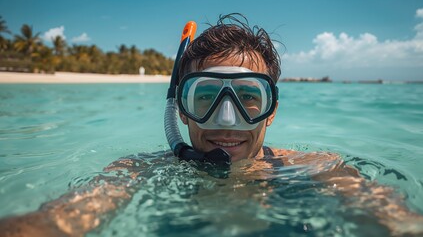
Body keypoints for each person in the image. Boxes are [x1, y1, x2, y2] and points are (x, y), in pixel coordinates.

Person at [1, 14, 423, 236]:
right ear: (181, 109)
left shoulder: (321, 170)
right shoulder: (135, 173)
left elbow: (396, 222)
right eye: (205, 96)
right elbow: (54, 223)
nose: (226, 121)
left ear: (271, 109)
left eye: (248, 98)